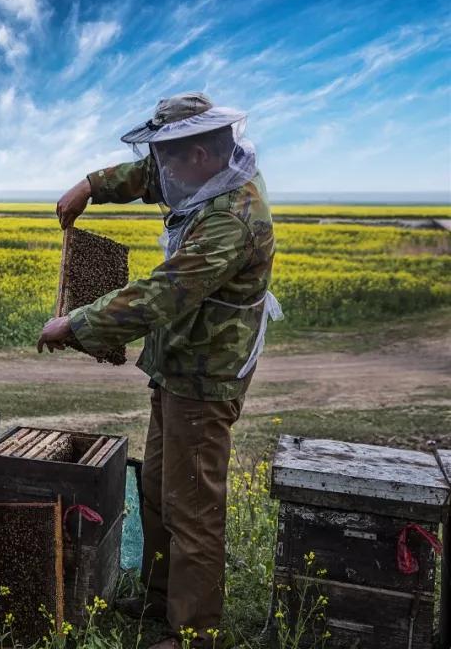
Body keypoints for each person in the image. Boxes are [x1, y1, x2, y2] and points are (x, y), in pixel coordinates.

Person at [36, 92, 279, 648]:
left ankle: (194, 632)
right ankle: (160, 597)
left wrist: (75, 324)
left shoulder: (233, 220)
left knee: (192, 503)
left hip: (207, 370)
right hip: (177, 362)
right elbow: (149, 174)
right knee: (159, 485)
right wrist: (90, 186)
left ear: (199, 152)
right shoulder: (203, 172)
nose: (160, 166)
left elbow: (162, 294)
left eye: (170, 155)